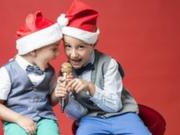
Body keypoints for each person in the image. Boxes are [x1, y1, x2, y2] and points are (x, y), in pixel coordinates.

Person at [53, 0, 152, 135]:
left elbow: (114, 106)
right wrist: (67, 98)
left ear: (93, 44)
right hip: (91, 119)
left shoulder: (109, 64)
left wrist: (90, 87)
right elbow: (79, 114)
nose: (73, 54)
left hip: (122, 115)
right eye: (68, 46)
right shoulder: (66, 73)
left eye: (80, 47)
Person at [0, 11, 62, 135]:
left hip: (45, 118)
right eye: (54, 49)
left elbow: (50, 101)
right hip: (16, 120)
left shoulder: (50, 71)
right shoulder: (6, 72)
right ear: (33, 50)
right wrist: (19, 119)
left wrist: (59, 91)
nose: (57, 54)